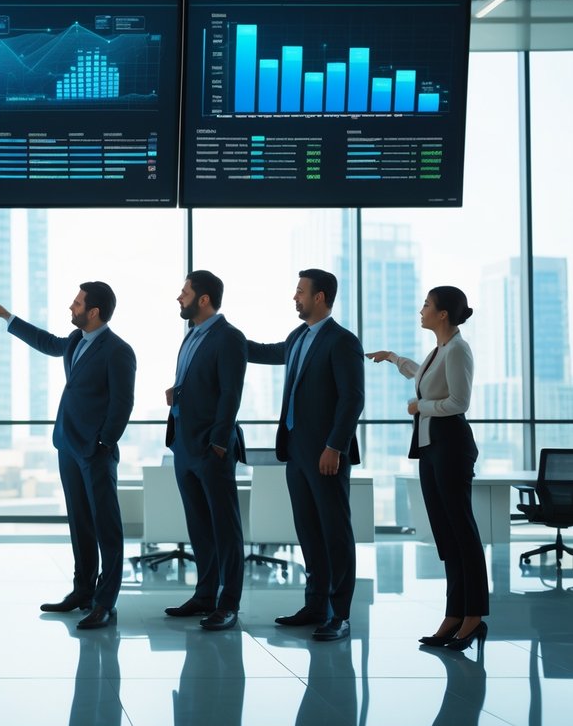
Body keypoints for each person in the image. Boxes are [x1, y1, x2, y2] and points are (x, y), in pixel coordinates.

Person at [0, 284, 136, 630]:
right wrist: (7, 316)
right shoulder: (76, 340)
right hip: (68, 445)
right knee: (80, 523)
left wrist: (104, 442)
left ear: (93, 311)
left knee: (105, 527)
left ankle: (105, 602)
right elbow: (47, 342)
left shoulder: (118, 351)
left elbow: (123, 403)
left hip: (95, 450)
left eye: (78, 302)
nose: (72, 305)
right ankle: (82, 591)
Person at [246, 269, 365, 642]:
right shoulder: (297, 336)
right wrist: (230, 338)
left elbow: (352, 398)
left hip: (326, 451)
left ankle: (340, 614)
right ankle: (315, 605)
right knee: (309, 531)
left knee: (335, 533)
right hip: (296, 450)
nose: (294, 298)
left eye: (300, 292)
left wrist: (335, 446)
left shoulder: (342, 341)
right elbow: (268, 353)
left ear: (321, 297)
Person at [368, 286, 487, 652]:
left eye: (426, 305)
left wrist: (421, 407)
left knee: (462, 530)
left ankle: (474, 616)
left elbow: (458, 401)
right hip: (432, 448)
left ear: (443, 314)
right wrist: (393, 358)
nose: (421, 310)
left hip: (451, 446)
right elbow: (423, 376)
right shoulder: (440, 350)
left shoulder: (459, 349)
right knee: (446, 533)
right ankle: (454, 613)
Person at [164, 270, 248, 631]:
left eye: (184, 292)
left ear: (203, 299)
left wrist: (217, 442)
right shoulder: (190, 337)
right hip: (184, 443)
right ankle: (204, 594)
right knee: (199, 525)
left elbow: (231, 392)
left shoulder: (229, 337)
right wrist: (178, 393)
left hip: (210, 447)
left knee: (224, 528)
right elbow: (202, 383)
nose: (178, 298)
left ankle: (227, 603)